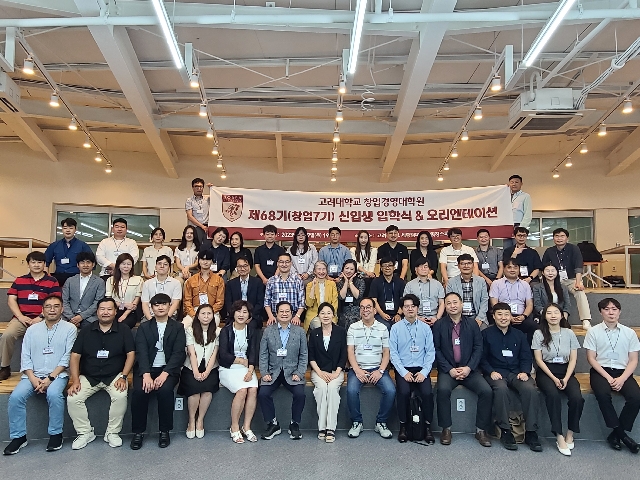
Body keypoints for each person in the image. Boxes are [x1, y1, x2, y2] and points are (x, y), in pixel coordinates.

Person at [3, 295, 77, 455]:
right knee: (16, 397)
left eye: (56, 306)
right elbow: (25, 356)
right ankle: (19, 437)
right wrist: (32, 377)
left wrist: (50, 378)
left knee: (54, 394)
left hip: (58, 375)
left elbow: (67, 356)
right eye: (48, 306)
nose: (52, 309)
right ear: (42, 310)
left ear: (62, 309)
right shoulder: (32, 330)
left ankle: (56, 434)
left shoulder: (70, 329)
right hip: (33, 375)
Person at [66, 297, 135, 450]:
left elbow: (131, 354)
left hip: (114, 375)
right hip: (89, 376)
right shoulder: (86, 331)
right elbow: (75, 356)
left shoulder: (124, 330)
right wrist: (75, 380)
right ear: (97, 312)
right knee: (73, 398)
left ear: (115, 312)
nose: (105, 312)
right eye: (102, 309)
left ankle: (112, 432)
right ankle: (85, 433)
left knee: (120, 395)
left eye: (109, 309)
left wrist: (123, 376)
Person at [432, 292, 493, 447]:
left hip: (469, 369)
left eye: (455, 302)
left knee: (486, 391)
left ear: (461, 304)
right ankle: (446, 429)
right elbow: (436, 349)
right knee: (442, 390)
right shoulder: (439, 325)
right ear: (445, 306)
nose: (452, 306)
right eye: (448, 303)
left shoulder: (472, 324)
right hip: (448, 370)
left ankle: (481, 430)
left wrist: (469, 368)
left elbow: (478, 348)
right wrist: (449, 369)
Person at [481, 302, 542, 452]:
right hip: (496, 372)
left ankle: (531, 432)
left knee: (530, 389)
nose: (503, 318)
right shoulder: (486, 334)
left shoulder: (519, 335)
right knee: (501, 389)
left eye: (506, 314)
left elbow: (526, 356)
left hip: (516, 372)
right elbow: (482, 358)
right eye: (499, 314)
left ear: (510, 316)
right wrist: (490, 371)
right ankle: (505, 430)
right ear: (494, 316)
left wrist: (525, 372)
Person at [130, 293, 186, 450]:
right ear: (151, 308)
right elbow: (141, 352)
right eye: (156, 304)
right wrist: (146, 374)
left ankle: (164, 431)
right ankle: (138, 432)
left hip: (168, 370)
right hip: (146, 369)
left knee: (165, 391)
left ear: (170, 306)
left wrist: (165, 373)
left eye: (164, 304)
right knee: (140, 391)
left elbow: (178, 353)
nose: (160, 307)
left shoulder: (178, 327)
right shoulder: (144, 327)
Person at [584, 297, 640, 453]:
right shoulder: (593, 332)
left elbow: (634, 360)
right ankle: (623, 436)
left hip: (623, 372)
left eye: (614, 309)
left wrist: (622, 379)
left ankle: (615, 435)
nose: (611, 312)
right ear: (601, 312)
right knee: (603, 394)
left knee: (636, 397)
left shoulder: (629, 333)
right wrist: (608, 378)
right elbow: (591, 358)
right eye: (607, 309)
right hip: (601, 371)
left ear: (619, 312)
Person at [0, 251, 61, 381]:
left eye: (40, 262)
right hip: (21, 319)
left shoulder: (52, 281)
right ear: (28, 264)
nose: (36, 265)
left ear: (44, 264)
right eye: (33, 262)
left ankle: (45, 369)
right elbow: (11, 300)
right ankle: (5, 367)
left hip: (44, 319)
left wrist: (41, 317)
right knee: (7, 335)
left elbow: (55, 302)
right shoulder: (19, 280)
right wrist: (20, 317)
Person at [532, 303, 584, 456]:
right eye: (549, 313)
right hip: (546, 371)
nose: (553, 315)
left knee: (577, 398)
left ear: (562, 315)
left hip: (566, 370)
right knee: (553, 396)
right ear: (544, 316)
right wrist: (554, 378)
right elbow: (538, 360)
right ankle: (559, 435)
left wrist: (566, 378)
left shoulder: (569, 333)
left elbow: (573, 359)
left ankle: (570, 432)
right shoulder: (539, 333)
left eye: (556, 312)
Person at [346, 297, 396, 439]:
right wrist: (357, 370)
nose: (365, 310)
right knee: (351, 390)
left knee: (391, 391)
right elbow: (350, 351)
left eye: (368, 307)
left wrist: (380, 371)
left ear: (374, 310)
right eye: (362, 307)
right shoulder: (353, 327)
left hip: (377, 368)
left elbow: (386, 352)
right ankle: (357, 422)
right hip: (358, 368)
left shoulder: (383, 328)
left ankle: (381, 422)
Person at [258, 301, 308, 440]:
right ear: (276, 313)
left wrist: (299, 373)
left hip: (292, 372)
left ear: (292, 313)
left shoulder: (300, 331)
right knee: (263, 393)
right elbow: (263, 354)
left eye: (287, 311)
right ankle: (273, 424)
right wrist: (264, 373)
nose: (284, 314)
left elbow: (304, 354)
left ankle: (294, 424)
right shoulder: (268, 331)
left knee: (300, 394)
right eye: (281, 311)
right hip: (273, 372)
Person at [390, 294, 436, 444]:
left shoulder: (425, 328)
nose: (410, 309)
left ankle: (427, 427)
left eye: (413, 306)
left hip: (421, 368)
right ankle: (403, 426)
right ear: (402, 309)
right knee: (403, 392)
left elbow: (430, 352)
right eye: (406, 306)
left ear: (417, 308)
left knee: (427, 393)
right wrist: (403, 372)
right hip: (403, 368)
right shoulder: (396, 328)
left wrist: (424, 372)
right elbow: (393, 353)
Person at [219, 300, 260, 443]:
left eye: (245, 312)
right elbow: (223, 355)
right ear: (233, 313)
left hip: (246, 368)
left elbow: (253, 353)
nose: (241, 314)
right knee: (242, 390)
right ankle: (234, 427)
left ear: (249, 315)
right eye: (238, 311)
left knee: (253, 389)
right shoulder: (226, 331)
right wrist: (241, 361)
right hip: (228, 368)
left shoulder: (252, 331)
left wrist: (250, 371)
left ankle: (246, 427)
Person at [178, 304, 220, 440]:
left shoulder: (218, 331)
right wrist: (195, 371)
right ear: (197, 315)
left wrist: (207, 371)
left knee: (207, 390)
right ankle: (191, 420)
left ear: (213, 316)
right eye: (203, 313)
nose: (206, 316)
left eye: (209, 313)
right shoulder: (190, 330)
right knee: (194, 391)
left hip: (210, 367)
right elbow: (191, 353)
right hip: (191, 366)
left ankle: (200, 420)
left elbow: (214, 354)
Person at [308, 303, 347, 443]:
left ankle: (330, 428)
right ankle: (322, 427)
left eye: (329, 313)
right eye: (322, 313)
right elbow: (311, 356)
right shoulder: (314, 333)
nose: (326, 316)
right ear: (318, 316)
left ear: (333, 315)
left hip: (336, 370)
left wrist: (337, 372)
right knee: (321, 389)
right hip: (318, 371)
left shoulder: (341, 332)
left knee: (332, 389)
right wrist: (319, 372)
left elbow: (344, 354)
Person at [541, 228, 593, 329]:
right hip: (554, 280)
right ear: (553, 238)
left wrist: (578, 282)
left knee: (580, 292)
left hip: (571, 279)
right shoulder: (549, 251)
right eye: (556, 236)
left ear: (567, 238)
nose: (559, 238)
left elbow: (578, 266)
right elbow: (544, 267)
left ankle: (585, 320)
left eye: (562, 236)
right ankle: (551, 320)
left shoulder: (574, 249)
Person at [489, 258, 536, 344]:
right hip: (503, 316)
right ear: (504, 269)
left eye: (515, 267)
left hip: (521, 317)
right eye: (509, 267)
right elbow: (494, 304)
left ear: (519, 269)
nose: (512, 270)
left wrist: (524, 316)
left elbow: (529, 304)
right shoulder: (496, 283)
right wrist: (508, 316)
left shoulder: (525, 284)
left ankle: (527, 351)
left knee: (534, 327)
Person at [62, 251, 105, 328]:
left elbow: (98, 302)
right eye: (82, 262)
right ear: (77, 265)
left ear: (93, 264)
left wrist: (81, 316)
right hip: (69, 316)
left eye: (88, 262)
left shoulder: (99, 282)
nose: (85, 265)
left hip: (89, 317)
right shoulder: (70, 281)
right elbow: (64, 300)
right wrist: (72, 318)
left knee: (91, 328)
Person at [45, 217, 93, 287]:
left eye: (71, 228)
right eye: (65, 228)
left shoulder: (83, 245)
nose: (68, 230)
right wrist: (46, 277)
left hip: (77, 278)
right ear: (62, 229)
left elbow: (91, 262)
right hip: (58, 277)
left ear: (75, 229)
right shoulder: (54, 245)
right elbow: (45, 262)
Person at [446, 254, 489, 329]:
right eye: (462, 263)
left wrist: (479, 318)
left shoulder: (481, 281)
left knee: (484, 331)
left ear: (473, 265)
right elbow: (449, 302)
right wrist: (457, 319)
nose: (466, 266)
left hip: (477, 317)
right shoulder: (451, 282)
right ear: (458, 266)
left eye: (469, 263)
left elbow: (484, 300)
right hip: (458, 317)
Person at [183, 250, 225, 327]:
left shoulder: (219, 280)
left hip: (212, 311)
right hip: (195, 311)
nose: (205, 262)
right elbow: (187, 301)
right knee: (184, 326)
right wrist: (194, 315)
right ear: (199, 261)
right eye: (203, 259)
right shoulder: (191, 280)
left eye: (208, 259)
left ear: (212, 261)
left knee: (211, 327)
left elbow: (220, 302)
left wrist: (209, 313)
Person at [263, 253, 305, 326]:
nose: (284, 264)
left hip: (293, 316)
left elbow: (301, 302)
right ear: (277, 264)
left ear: (291, 263)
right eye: (281, 262)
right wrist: (270, 316)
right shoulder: (271, 281)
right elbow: (267, 302)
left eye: (287, 262)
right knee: (270, 331)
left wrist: (297, 316)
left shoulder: (298, 280)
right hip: (275, 316)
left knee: (296, 331)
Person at [225, 255, 265, 329]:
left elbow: (260, 303)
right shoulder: (230, 284)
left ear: (250, 267)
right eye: (239, 266)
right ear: (236, 268)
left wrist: (249, 315)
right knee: (229, 328)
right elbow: (229, 303)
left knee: (252, 327)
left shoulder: (257, 282)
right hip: (235, 316)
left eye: (245, 266)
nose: (242, 269)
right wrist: (237, 316)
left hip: (253, 316)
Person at [105, 253, 143, 329]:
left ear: (132, 266)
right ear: (118, 265)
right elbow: (109, 300)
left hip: (130, 312)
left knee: (123, 326)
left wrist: (124, 315)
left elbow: (136, 301)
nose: (126, 266)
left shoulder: (138, 279)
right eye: (123, 264)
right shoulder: (110, 280)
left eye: (129, 264)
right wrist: (123, 305)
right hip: (113, 311)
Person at [403, 257, 444, 325]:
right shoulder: (409, 285)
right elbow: (406, 304)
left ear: (429, 269)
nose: (423, 268)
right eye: (421, 266)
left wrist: (437, 318)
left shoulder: (437, 284)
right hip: (415, 319)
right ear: (416, 269)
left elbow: (442, 303)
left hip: (435, 318)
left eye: (426, 266)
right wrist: (417, 318)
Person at [141, 255, 182, 321]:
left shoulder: (176, 283)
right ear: (155, 267)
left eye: (165, 264)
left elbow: (175, 303)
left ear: (169, 268)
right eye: (159, 264)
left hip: (169, 316)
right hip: (150, 316)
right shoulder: (147, 283)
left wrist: (165, 319)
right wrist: (151, 320)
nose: (162, 266)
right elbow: (145, 303)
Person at [369, 257, 405, 330]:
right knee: (385, 326)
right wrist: (382, 314)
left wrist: (398, 314)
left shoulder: (400, 282)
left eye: (390, 265)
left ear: (394, 267)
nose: (387, 268)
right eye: (384, 265)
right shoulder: (376, 282)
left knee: (400, 326)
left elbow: (404, 300)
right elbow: (374, 300)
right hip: (380, 315)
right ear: (381, 268)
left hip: (397, 314)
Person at [304, 261, 338, 331]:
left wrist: (330, 314)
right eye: (319, 269)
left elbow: (335, 302)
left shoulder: (332, 284)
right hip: (315, 315)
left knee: (332, 328)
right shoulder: (310, 285)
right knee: (320, 327)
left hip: (329, 314)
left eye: (323, 269)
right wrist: (313, 287)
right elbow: (309, 304)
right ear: (314, 271)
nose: (321, 272)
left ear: (327, 271)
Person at [504, 175, 533, 250]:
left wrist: (521, 228)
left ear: (521, 184)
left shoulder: (525, 196)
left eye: (516, 182)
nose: (514, 184)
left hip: (518, 225)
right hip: (507, 226)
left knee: (519, 248)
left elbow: (528, 214)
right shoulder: (505, 196)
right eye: (512, 182)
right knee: (507, 250)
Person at [336, 259, 366, 332]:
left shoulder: (360, 281)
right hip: (343, 310)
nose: (349, 271)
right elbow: (341, 297)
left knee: (353, 320)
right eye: (347, 268)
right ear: (343, 269)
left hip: (357, 310)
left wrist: (350, 282)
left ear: (355, 271)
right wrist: (346, 282)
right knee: (345, 320)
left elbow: (357, 296)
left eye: (352, 269)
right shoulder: (339, 282)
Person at [350, 230, 377, 295]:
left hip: (369, 276)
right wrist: (366, 272)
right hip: (358, 276)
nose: (363, 240)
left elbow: (372, 264)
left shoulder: (373, 250)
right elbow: (356, 264)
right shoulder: (353, 250)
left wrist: (369, 274)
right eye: (361, 237)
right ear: (358, 238)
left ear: (368, 239)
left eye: (365, 238)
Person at [185, 177, 211, 246]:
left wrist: (211, 188)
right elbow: (189, 216)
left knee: (207, 245)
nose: (199, 188)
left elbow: (218, 197)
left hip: (207, 226)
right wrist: (202, 226)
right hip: (195, 227)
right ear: (193, 188)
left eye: (200, 186)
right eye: (196, 186)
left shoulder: (208, 198)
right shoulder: (189, 200)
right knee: (196, 245)